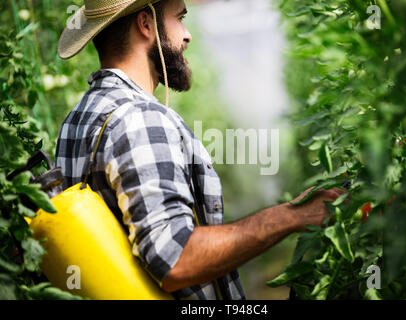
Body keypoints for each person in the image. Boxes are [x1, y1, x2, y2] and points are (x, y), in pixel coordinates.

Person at [55, 0, 346, 300]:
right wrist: (291, 217)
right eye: (179, 18)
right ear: (146, 24)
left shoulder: (77, 118)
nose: (187, 34)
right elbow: (175, 258)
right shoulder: (140, 118)